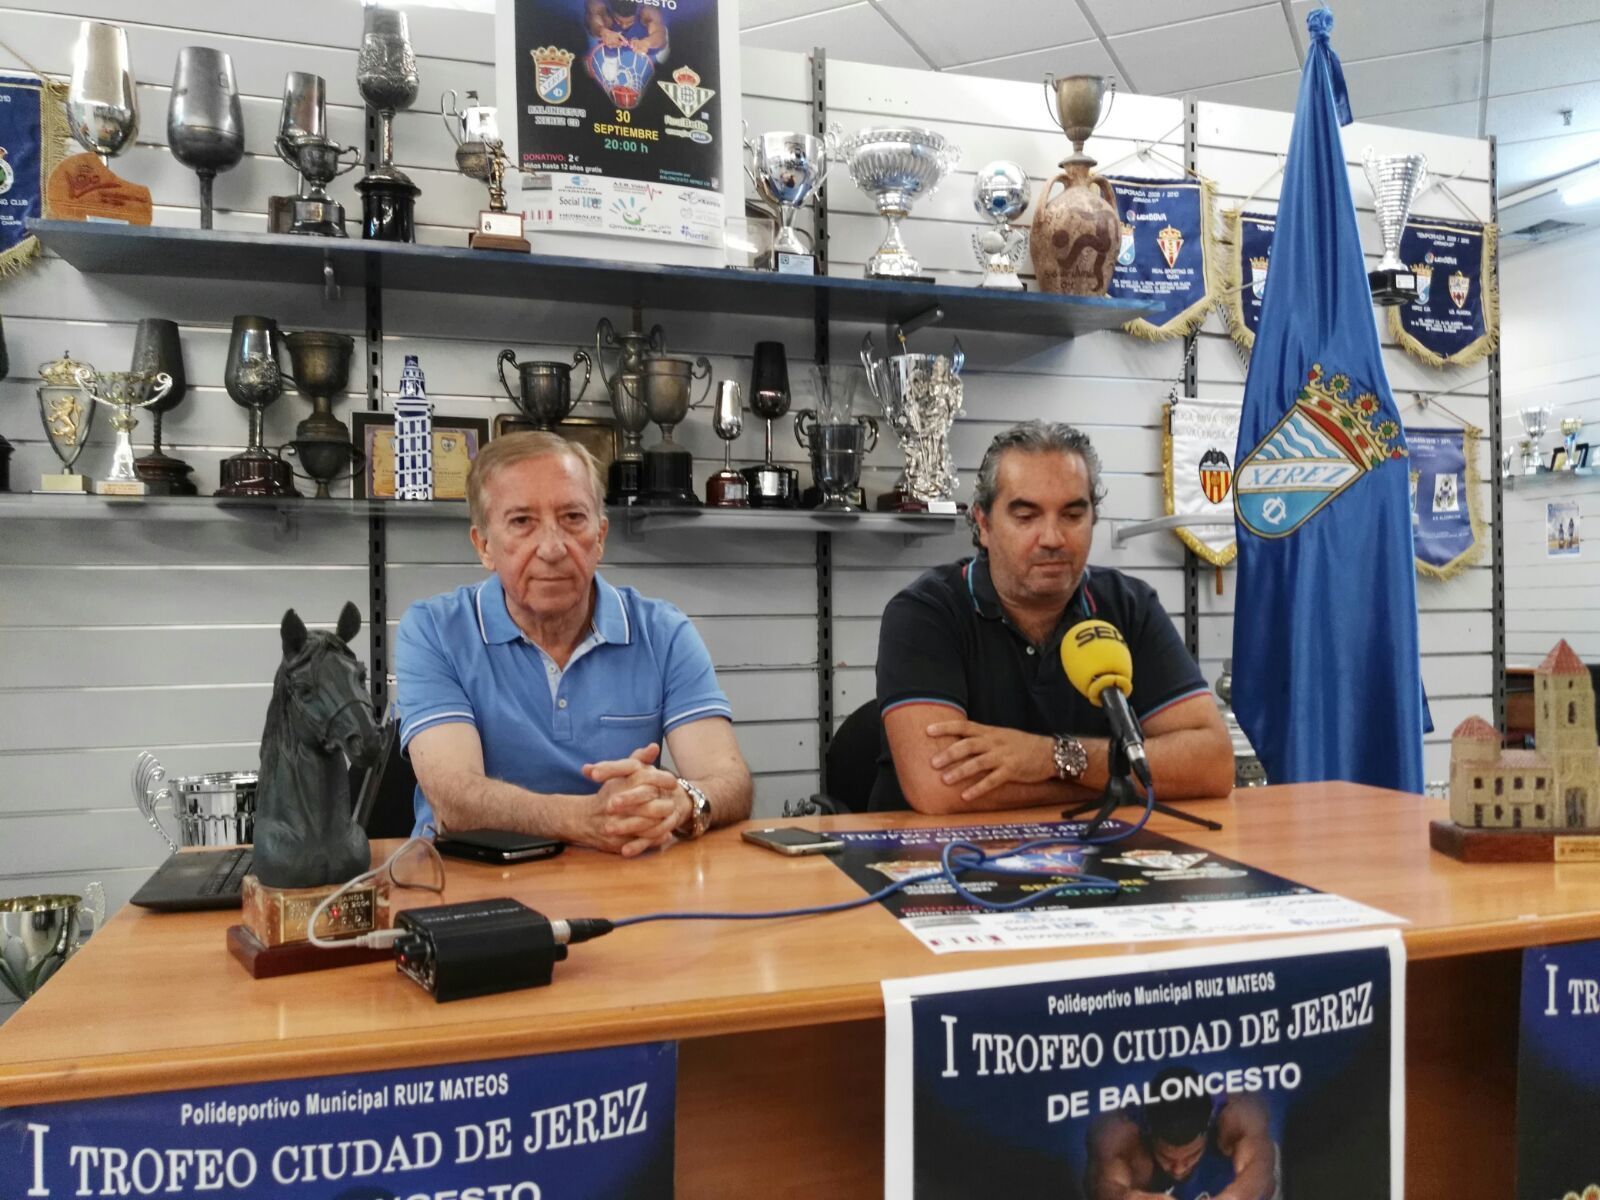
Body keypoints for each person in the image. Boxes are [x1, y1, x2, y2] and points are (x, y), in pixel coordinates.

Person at [395, 432, 752, 856]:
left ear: (600, 536)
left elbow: (730, 782)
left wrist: (683, 802)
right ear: (484, 546)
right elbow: (454, 802)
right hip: (468, 882)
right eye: (522, 521)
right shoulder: (433, 630)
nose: (551, 548)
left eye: (572, 518)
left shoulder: (664, 632)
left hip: (625, 878)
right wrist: (584, 820)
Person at [871, 421, 1234, 813]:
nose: (1052, 538)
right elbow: (941, 790)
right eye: (1026, 516)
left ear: (1093, 518)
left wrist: (1049, 757)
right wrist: (1117, 784)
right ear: (983, 524)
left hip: (1097, 855)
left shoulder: (1129, 606)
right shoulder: (925, 614)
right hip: (943, 858)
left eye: (1072, 515)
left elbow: (1213, 764)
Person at [1085, 1066, 1280, 1200]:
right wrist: (1130, 1198)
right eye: (1167, 1158)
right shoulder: (1119, 1135)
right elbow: (1104, 1188)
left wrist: (1234, 1196)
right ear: (1150, 1134)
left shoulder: (1238, 1113)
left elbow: (1261, 1169)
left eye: (1190, 1156)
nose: (1178, 1169)